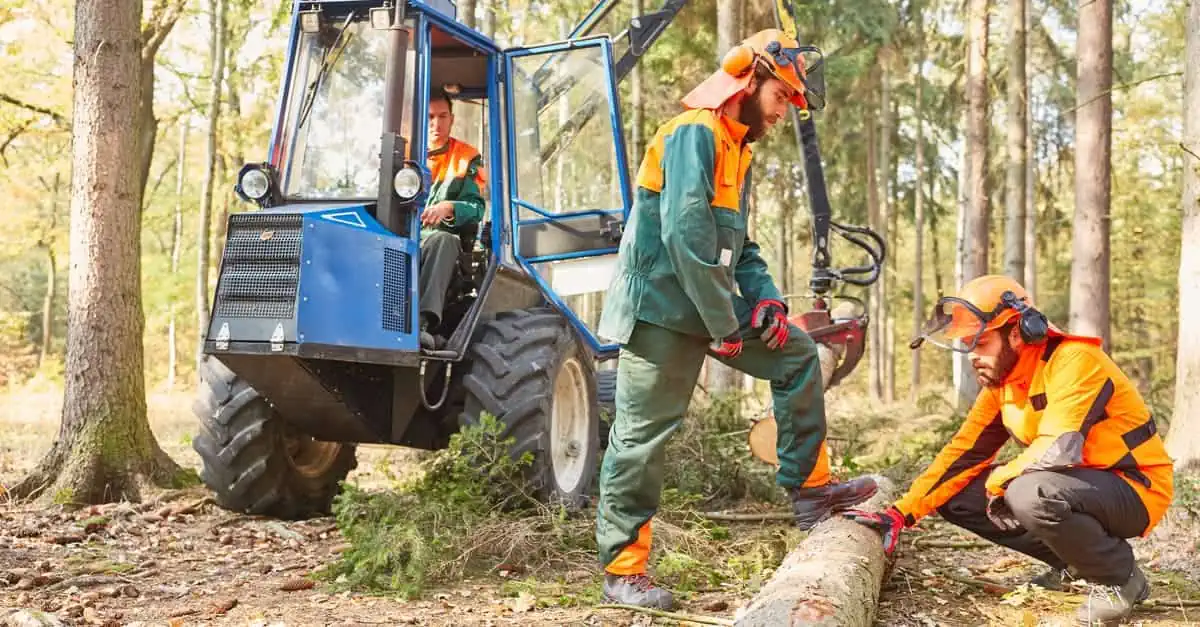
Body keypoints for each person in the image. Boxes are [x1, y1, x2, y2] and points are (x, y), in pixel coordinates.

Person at [592, 29, 879, 610]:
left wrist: (766, 300)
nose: (782, 114)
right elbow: (685, 238)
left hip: (711, 307)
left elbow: (737, 246)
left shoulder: (735, 146)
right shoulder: (693, 134)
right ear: (750, 81)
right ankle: (624, 571)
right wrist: (726, 327)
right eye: (781, 98)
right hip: (662, 313)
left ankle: (811, 491)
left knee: (797, 354)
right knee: (641, 438)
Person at [842, 274, 1175, 626]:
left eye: (981, 342)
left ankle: (1119, 578)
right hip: (1080, 488)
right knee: (955, 495)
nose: (974, 356)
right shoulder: (1005, 385)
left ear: (1017, 331)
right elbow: (963, 453)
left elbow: (1058, 448)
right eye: (969, 345)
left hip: (1135, 487)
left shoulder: (1074, 361)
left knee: (1029, 492)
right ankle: (1076, 564)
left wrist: (999, 482)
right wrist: (901, 513)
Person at [418, 92, 487, 349]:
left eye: (442, 116)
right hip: (403, 237)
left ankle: (423, 324)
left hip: (437, 240)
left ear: (452, 119)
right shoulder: (403, 154)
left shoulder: (466, 157)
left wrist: (449, 207)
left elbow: (476, 207)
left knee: (444, 241)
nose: (436, 124)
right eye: (430, 117)